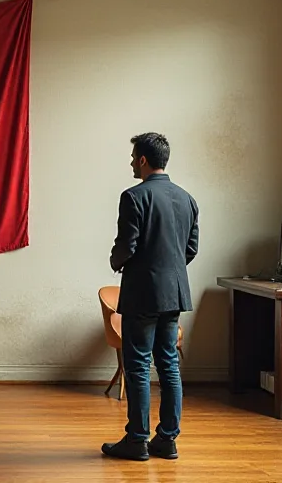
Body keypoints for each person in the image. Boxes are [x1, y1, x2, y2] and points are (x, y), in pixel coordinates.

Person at [101, 132, 199, 462]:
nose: (131, 162)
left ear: (143, 159)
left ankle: (137, 440)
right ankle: (167, 440)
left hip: (143, 294)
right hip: (174, 294)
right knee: (168, 364)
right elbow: (191, 249)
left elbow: (126, 246)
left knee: (139, 366)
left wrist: (116, 261)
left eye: (133, 157)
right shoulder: (187, 199)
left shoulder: (134, 196)